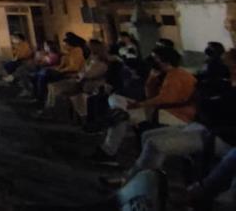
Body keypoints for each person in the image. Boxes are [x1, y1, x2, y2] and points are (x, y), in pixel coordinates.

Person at [103, 48, 235, 188]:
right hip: (205, 127)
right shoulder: (224, 84)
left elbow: (214, 112)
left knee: (155, 143)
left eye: (229, 66)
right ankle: (138, 178)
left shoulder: (225, 88)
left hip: (221, 137)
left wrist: (208, 99)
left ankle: (135, 183)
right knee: (147, 135)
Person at [93, 45, 197, 165]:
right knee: (119, 107)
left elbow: (165, 99)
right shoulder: (167, 74)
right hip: (163, 111)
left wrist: (140, 104)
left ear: (164, 60)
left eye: (155, 58)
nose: (152, 61)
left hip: (177, 114)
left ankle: (108, 150)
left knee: (121, 116)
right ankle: (109, 148)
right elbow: (151, 96)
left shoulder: (177, 75)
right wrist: (151, 80)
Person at [35, 33, 86, 104]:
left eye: (65, 44)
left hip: (71, 73)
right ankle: (41, 97)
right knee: (43, 74)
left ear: (70, 44)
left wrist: (61, 70)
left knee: (45, 73)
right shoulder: (69, 53)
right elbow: (62, 65)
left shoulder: (77, 51)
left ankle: (40, 99)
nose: (63, 46)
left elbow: (74, 67)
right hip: (65, 72)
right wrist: (58, 67)